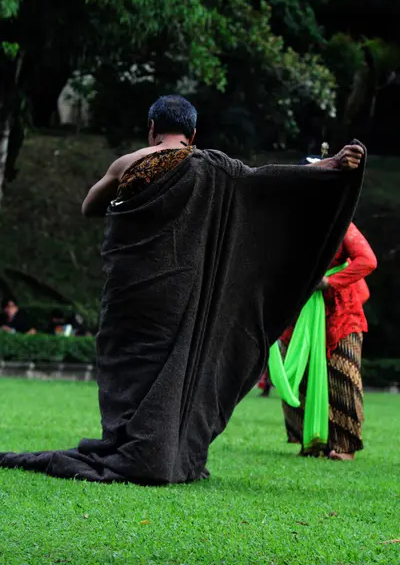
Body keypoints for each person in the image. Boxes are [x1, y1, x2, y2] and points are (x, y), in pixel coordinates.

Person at [0, 95, 366, 484]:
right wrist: (328, 167)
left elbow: (90, 206)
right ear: (193, 134)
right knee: (178, 370)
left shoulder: (131, 162)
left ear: (152, 128)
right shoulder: (217, 169)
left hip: (132, 298)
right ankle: (167, 449)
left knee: (130, 371)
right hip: (182, 299)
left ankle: (129, 441)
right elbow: (267, 180)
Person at [280, 222, 377, 461]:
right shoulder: (289, 222)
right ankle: (312, 441)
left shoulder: (342, 224)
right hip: (300, 313)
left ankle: (345, 447)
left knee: (342, 377)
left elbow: (367, 260)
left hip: (340, 314)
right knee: (302, 377)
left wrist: (330, 283)